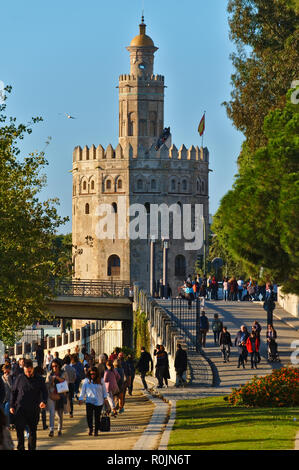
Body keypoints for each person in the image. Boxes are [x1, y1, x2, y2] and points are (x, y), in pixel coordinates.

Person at [10, 359, 48, 451]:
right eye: (26, 371)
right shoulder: (19, 378)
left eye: (29, 371)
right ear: (24, 369)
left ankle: (32, 448)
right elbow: (14, 392)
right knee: (19, 430)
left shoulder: (39, 379)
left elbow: (44, 392)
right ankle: (21, 447)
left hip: (33, 409)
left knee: (32, 431)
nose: (28, 373)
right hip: (20, 408)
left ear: (32, 369)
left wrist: (43, 401)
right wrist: (11, 405)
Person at [79, 367, 110, 436]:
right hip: (89, 401)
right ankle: (90, 428)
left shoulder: (101, 381)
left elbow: (104, 391)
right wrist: (80, 398)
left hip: (99, 401)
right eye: (91, 374)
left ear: (97, 374)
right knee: (89, 417)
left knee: (97, 417)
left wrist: (105, 399)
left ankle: (96, 430)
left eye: (94, 374)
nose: (92, 375)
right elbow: (83, 391)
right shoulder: (86, 381)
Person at [46, 359, 68, 437]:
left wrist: (58, 378)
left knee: (59, 414)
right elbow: (46, 385)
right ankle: (51, 429)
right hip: (51, 394)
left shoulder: (63, 373)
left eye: (56, 366)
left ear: (59, 366)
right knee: (52, 413)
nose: (54, 367)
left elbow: (66, 382)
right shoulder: (49, 374)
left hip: (60, 394)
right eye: (53, 366)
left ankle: (59, 429)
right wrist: (51, 381)